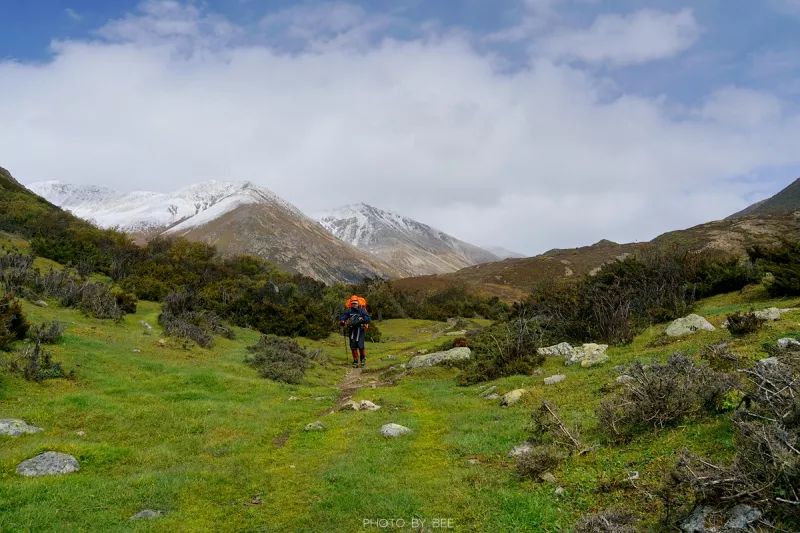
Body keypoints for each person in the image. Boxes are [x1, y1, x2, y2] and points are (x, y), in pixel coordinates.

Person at [339, 296, 371, 368]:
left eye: (355, 303)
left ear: (358, 303)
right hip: (352, 331)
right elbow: (343, 317)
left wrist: (362, 320)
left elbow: (368, 319)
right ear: (351, 303)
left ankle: (362, 359)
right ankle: (355, 361)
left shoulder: (362, 310)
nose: (354, 305)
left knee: (360, 346)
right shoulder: (349, 311)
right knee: (353, 346)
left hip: (361, 330)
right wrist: (342, 321)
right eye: (353, 303)